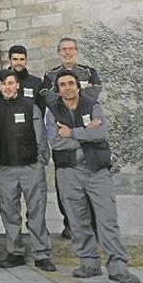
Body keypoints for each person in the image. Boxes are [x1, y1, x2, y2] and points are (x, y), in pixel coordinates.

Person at [45, 71, 140, 283]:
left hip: (97, 171)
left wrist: (72, 133)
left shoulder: (92, 105)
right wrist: (86, 133)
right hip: (68, 172)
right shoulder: (52, 112)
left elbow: (101, 133)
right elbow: (55, 142)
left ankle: (118, 267)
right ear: (58, 90)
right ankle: (89, 263)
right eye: (62, 85)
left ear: (78, 86)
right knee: (78, 220)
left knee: (107, 219)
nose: (67, 87)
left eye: (71, 83)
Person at [0, 69, 56, 272]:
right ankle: (15, 252)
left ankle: (41, 253)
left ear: (17, 85)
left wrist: (40, 161)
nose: (8, 87)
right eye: (4, 84)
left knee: (36, 209)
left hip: (30, 167)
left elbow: (40, 136)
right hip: (4, 169)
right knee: (9, 212)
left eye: (11, 83)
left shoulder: (30, 107)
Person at [41, 37, 102, 239]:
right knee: (66, 185)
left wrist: (71, 97)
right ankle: (70, 223)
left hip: (85, 143)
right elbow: (49, 99)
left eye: (71, 49)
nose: (67, 52)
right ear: (58, 52)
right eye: (63, 49)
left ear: (76, 51)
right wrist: (73, 96)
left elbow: (94, 95)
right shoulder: (50, 75)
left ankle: (93, 225)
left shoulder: (89, 72)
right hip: (62, 134)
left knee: (91, 183)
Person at [5, 45, 45, 111]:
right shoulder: (1, 81)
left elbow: (41, 108)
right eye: (15, 59)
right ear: (9, 60)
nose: (18, 63)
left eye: (22, 59)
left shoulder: (36, 82)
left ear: (26, 60)